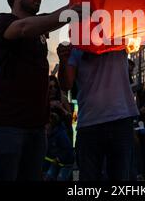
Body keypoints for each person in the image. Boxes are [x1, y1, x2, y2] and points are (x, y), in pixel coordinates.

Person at [0, 0, 81, 181]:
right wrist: (70, 13)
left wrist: (78, 3)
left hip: (37, 129)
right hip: (8, 126)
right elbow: (23, 27)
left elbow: (50, 19)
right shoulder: (4, 21)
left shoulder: (39, 29)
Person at [57, 43, 139, 181]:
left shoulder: (121, 34)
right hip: (92, 123)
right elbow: (66, 84)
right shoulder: (76, 47)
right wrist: (63, 60)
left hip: (117, 120)